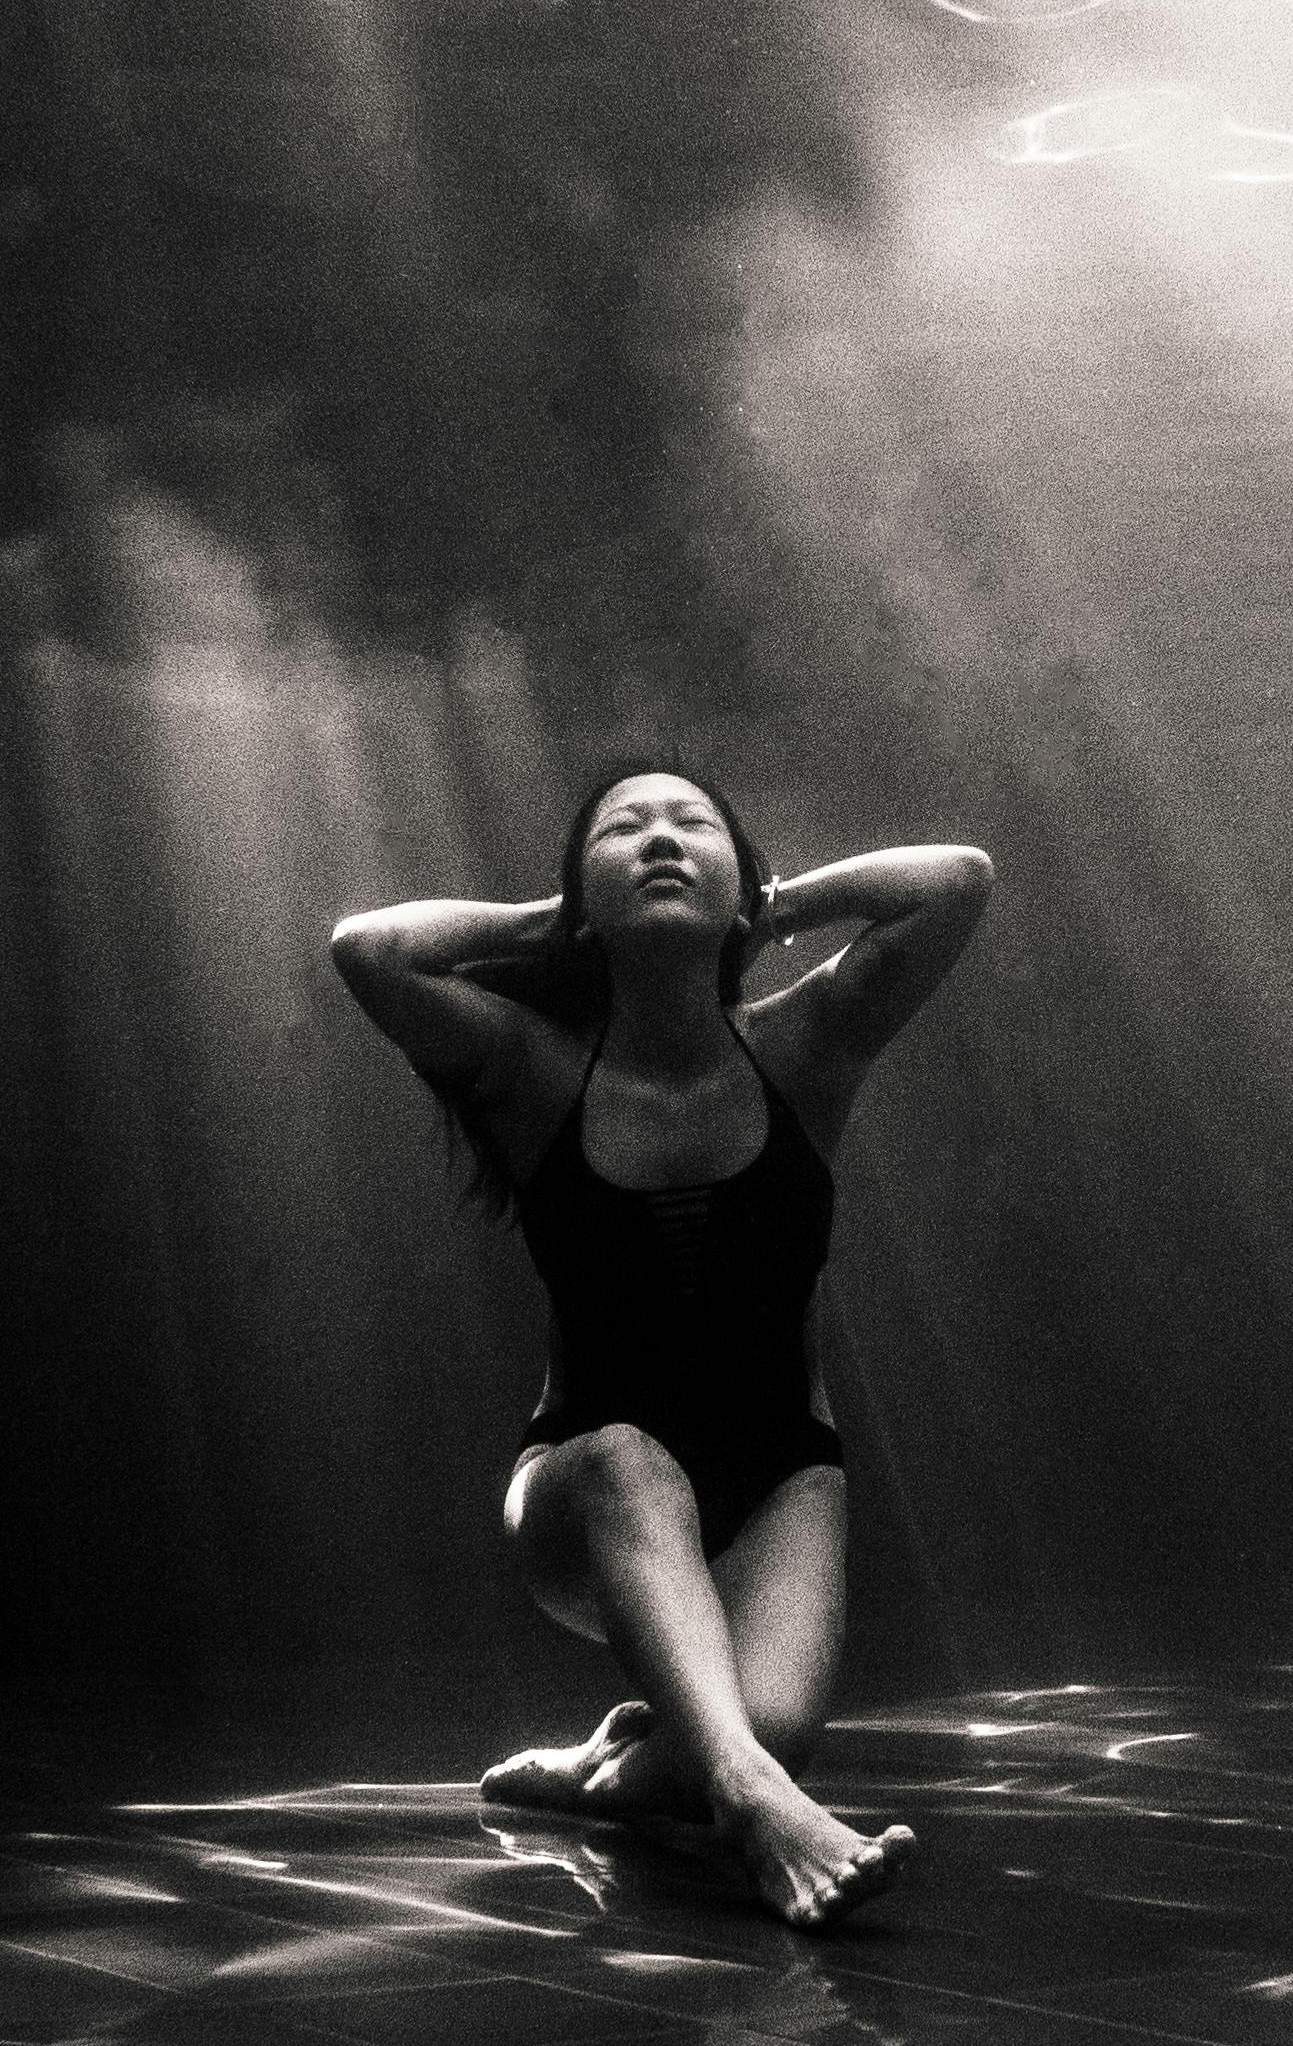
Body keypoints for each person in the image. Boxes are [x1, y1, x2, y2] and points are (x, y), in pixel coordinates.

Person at [330, 769, 991, 1926]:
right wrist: (552, 921)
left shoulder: (807, 1046)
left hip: (782, 1476)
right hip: (587, 1490)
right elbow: (367, 951)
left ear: (740, 881)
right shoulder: (532, 1068)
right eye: (624, 829)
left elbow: (957, 882)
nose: (661, 840)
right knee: (638, 1468)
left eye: (692, 824)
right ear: (581, 892)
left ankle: (609, 1774)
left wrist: (777, 906)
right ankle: (750, 1804)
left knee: (771, 1723)